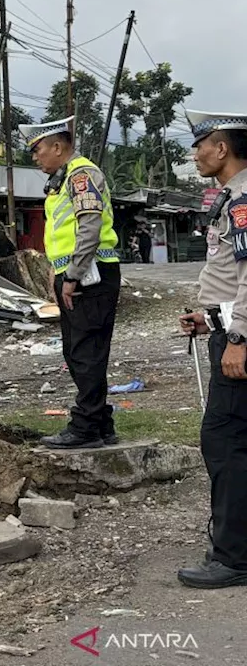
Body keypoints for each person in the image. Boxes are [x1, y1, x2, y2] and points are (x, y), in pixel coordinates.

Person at [175, 109, 247, 589]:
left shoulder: (243, 202)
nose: (195, 153)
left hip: (242, 340)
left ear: (221, 148)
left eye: (201, 144)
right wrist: (212, 316)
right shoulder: (233, 198)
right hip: (231, 326)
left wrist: (238, 337)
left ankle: (234, 557)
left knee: (223, 440)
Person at [19, 116, 120, 449]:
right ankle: (100, 421)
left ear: (58, 146)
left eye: (39, 150)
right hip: (77, 273)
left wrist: (72, 275)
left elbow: (89, 228)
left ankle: (87, 426)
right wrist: (58, 272)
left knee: (85, 351)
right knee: (77, 350)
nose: (36, 157)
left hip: (90, 275)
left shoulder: (80, 175)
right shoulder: (64, 179)